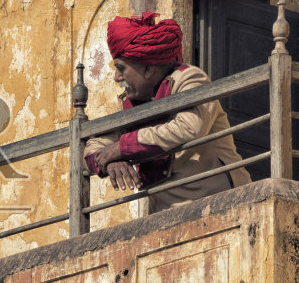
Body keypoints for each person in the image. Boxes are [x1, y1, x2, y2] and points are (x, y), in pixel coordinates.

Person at [84, 11, 250, 212]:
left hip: (222, 202)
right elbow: (95, 146)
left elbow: (189, 127)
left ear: (148, 68)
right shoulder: (131, 99)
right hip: (164, 214)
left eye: (121, 68)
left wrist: (122, 147)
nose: (117, 77)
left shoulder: (190, 78)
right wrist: (111, 162)